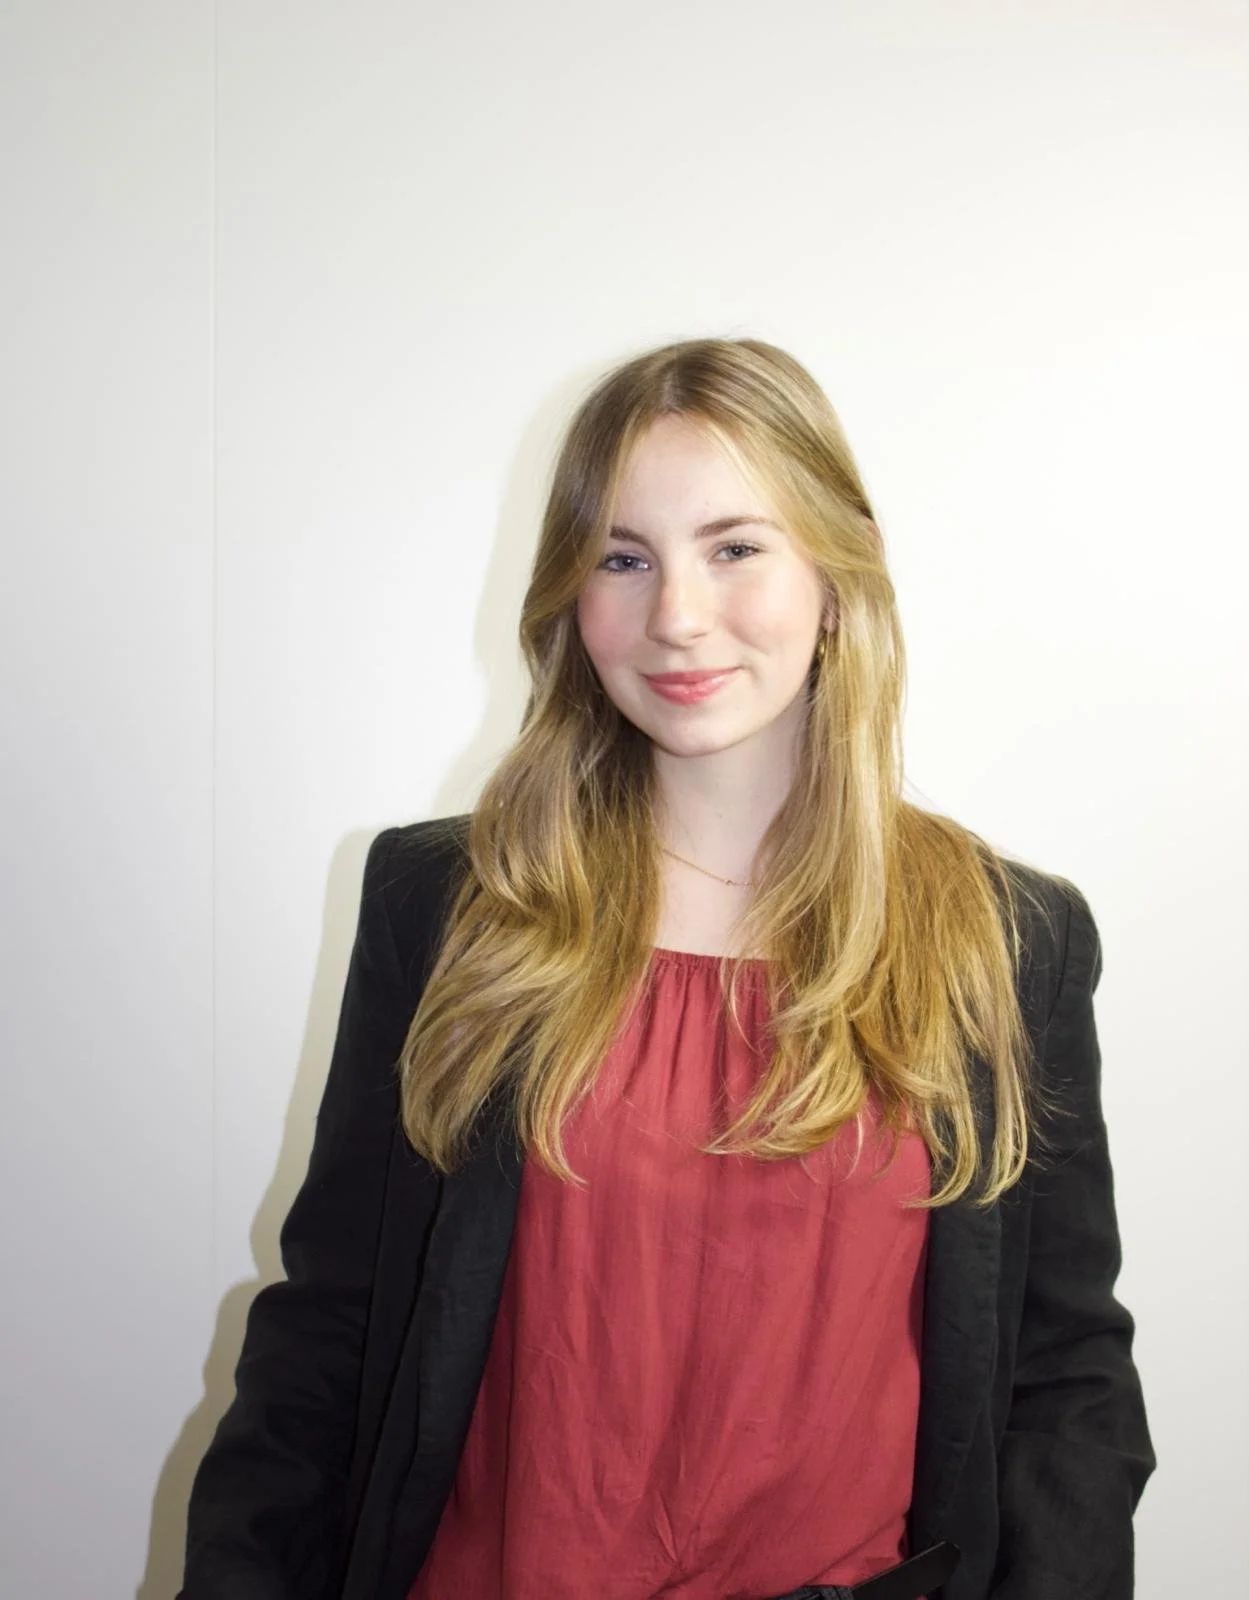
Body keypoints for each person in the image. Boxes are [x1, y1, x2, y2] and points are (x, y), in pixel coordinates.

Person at [179, 338, 1154, 1600]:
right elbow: (332, 1323)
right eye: (622, 558)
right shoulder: (449, 907)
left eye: (735, 548)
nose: (677, 616)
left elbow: (1065, 1377)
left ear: (839, 570)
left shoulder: (1004, 939)